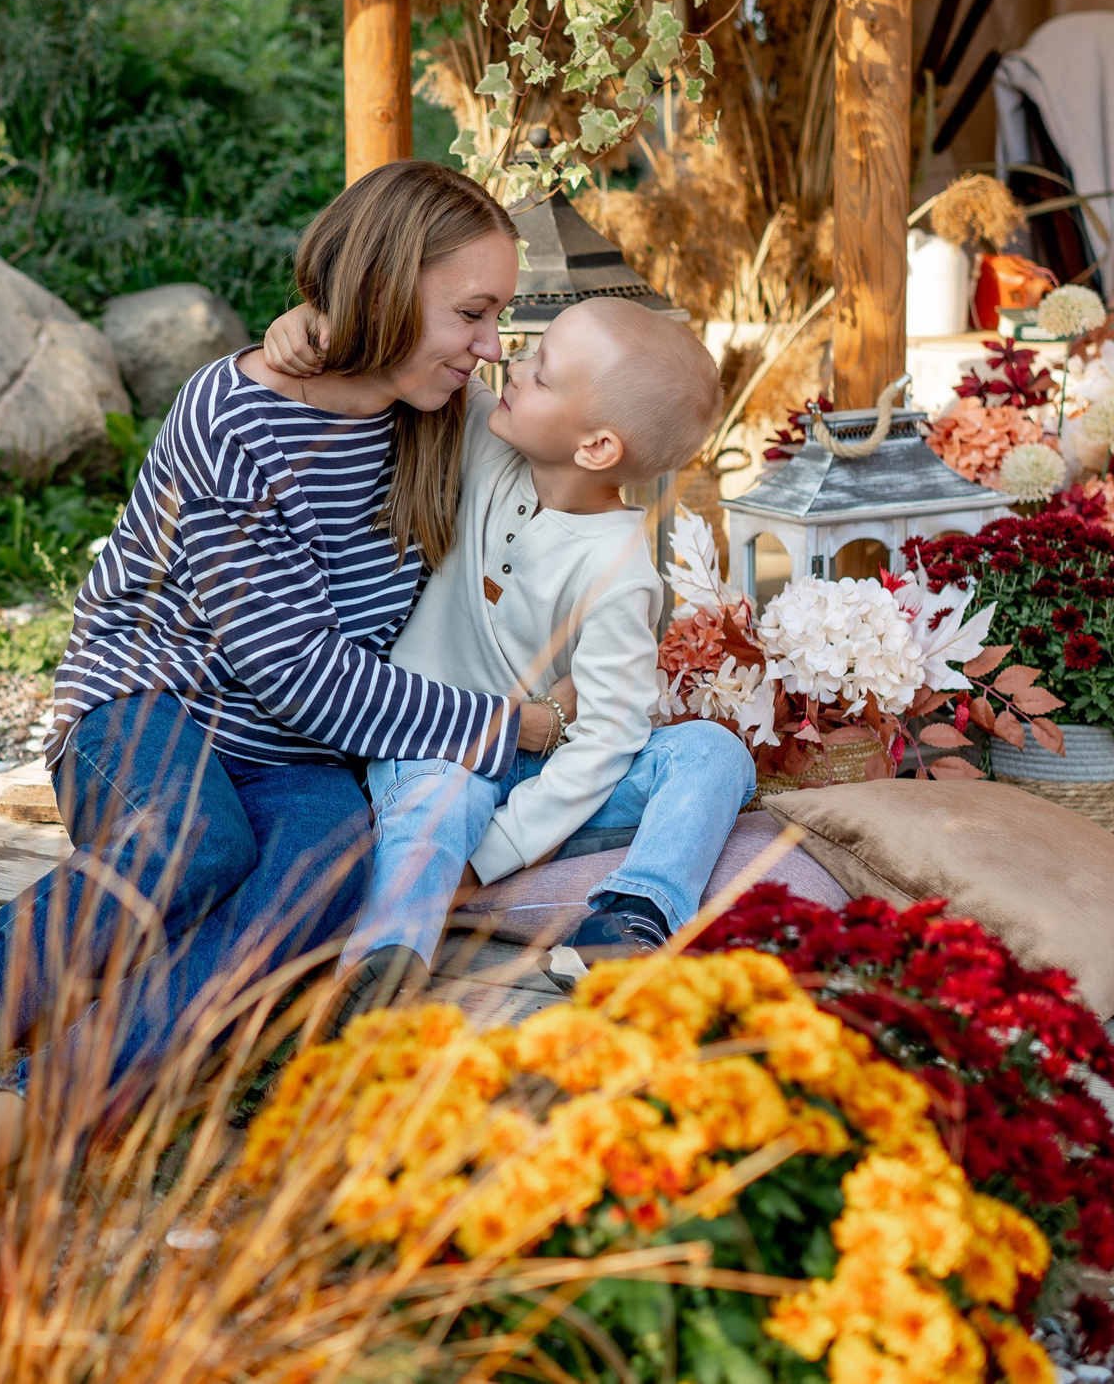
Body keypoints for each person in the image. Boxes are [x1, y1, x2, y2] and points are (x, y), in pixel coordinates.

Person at [0, 160, 571, 1227]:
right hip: (152, 706)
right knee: (191, 842)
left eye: (497, 317)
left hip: (297, 756)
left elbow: (585, 454)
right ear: (384, 282)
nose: (487, 343)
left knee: (327, 871)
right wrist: (500, 722)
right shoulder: (232, 416)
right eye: (471, 312)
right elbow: (296, 672)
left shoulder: (436, 416)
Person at [261, 293, 756, 1030]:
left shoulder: (620, 571)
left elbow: (611, 739)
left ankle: (633, 917)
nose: (510, 366)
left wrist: (499, 848)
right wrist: (310, 320)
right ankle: (382, 968)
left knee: (713, 752)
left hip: (543, 774)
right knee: (441, 800)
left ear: (595, 447)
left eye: (542, 372)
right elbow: (422, 354)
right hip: (434, 746)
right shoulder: (490, 444)